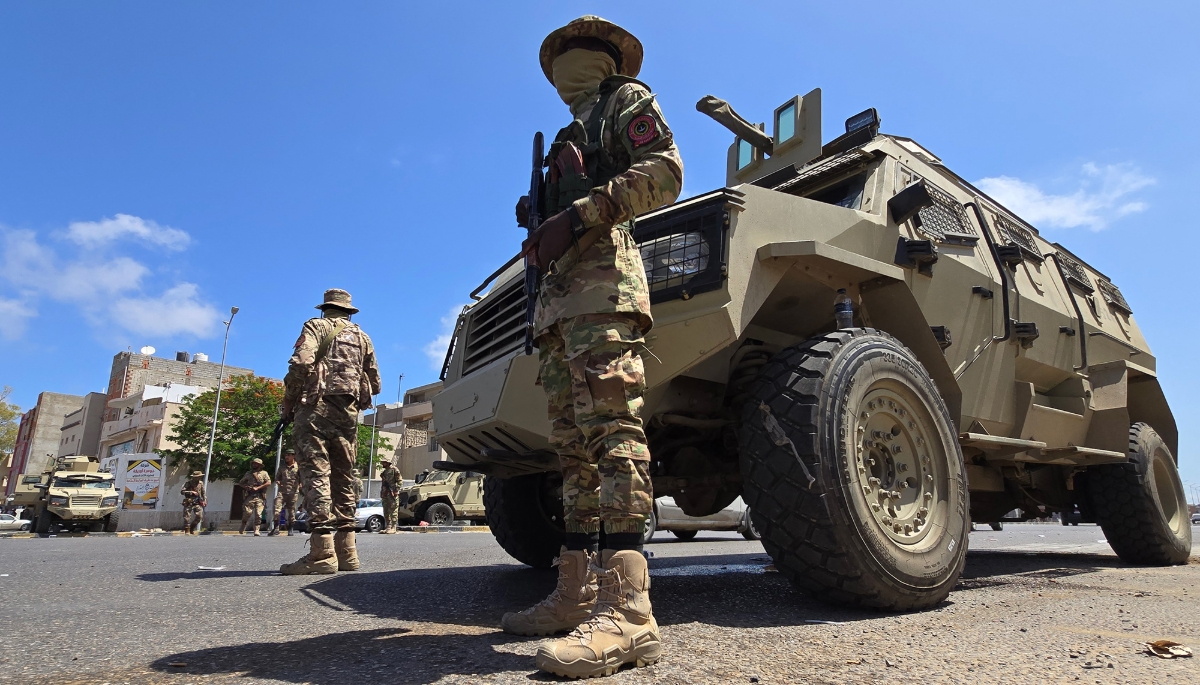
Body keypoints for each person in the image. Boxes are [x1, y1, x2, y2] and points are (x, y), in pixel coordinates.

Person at [500, 16, 683, 679]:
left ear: (604, 60)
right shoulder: (569, 137)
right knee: (573, 455)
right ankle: (578, 593)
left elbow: (665, 173)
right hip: (559, 309)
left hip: (605, 295)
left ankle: (630, 614)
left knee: (615, 436)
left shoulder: (625, 103)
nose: (564, 70)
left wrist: (576, 215)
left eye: (574, 57)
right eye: (557, 61)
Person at [280, 288, 381, 574]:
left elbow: (301, 362)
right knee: (344, 476)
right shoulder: (362, 337)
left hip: (314, 409)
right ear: (349, 311)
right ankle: (347, 553)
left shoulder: (315, 326)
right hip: (348, 413)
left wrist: (289, 398)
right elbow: (375, 382)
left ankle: (322, 554)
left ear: (325, 309)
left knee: (316, 474)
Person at [270, 450, 301, 536]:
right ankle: (276, 528)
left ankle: (290, 528)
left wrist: (301, 484)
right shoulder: (282, 467)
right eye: (285, 455)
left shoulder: (298, 467)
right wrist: (278, 482)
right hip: (282, 492)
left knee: (291, 511)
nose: (286, 457)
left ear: (293, 456)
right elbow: (277, 478)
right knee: (276, 509)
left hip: (293, 492)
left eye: (288, 455)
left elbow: (302, 478)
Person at [238, 458, 271, 536]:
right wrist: (246, 487)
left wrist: (258, 488)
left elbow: (268, 482)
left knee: (258, 514)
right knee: (247, 512)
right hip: (250, 496)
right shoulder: (248, 473)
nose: (254, 465)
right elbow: (241, 483)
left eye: (256, 464)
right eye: (253, 463)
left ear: (259, 465)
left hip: (260, 496)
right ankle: (243, 524)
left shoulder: (264, 473)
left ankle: (256, 529)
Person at [379, 457, 402, 533]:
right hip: (385, 493)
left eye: (384, 462)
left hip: (392, 493)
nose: (382, 464)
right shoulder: (384, 472)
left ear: (388, 463)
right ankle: (388, 526)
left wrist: (396, 490)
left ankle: (394, 526)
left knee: (393, 509)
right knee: (386, 510)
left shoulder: (394, 470)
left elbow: (399, 481)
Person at [181, 470, 206, 535]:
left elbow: (203, 492)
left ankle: (192, 528)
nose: (199, 478)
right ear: (194, 477)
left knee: (199, 516)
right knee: (187, 516)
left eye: (200, 476)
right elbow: (182, 492)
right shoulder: (188, 483)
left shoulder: (201, 483)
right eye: (198, 477)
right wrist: (191, 492)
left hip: (197, 502)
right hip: (189, 501)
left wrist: (204, 500)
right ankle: (187, 530)